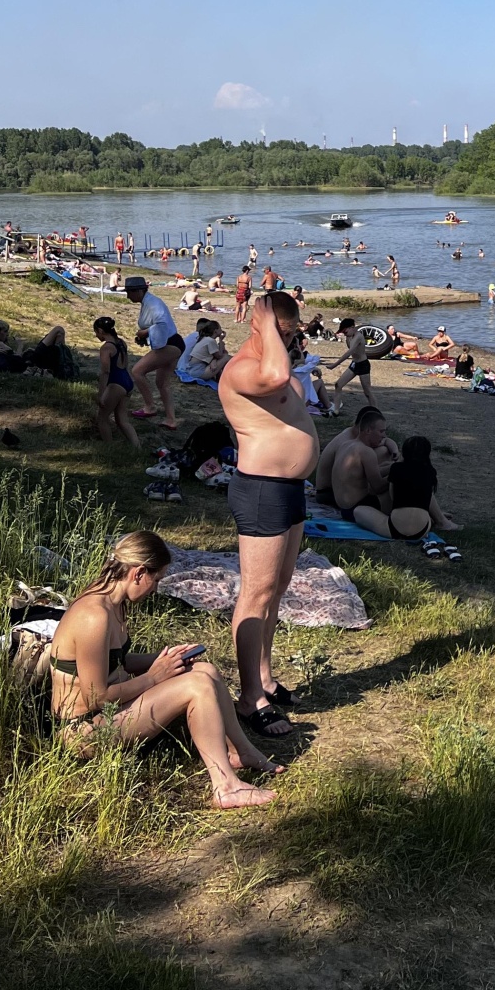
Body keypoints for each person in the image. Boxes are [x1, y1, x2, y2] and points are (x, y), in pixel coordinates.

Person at [48, 529, 279, 808]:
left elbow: (116, 661)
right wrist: (155, 676)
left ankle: (240, 751)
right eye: (155, 580)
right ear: (138, 573)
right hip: (84, 730)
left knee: (205, 671)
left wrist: (167, 658)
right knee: (197, 687)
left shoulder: (114, 604)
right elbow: (97, 696)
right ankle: (226, 787)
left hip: (108, 714)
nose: (155, 588)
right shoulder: (93, 616)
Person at [218, 292, 321, 739]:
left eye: (294, 329)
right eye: (286, 329)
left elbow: (290, 384)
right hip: (262, 490)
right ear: (259, 325)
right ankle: (248, 698)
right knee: (256, 593)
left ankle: (265, 678)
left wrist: (283, 335)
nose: (292, 336)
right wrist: (263, 318)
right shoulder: (242, 370)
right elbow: (278, 376)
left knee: (277, 589)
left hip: (290, 488)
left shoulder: (276, 366)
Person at [353, 435, 459, 540]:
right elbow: (425, 497)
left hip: (395, 529)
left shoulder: (396, 469)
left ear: (404, 453)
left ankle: (434, 519)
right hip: (422, 529)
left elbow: (392, 497)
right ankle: (437, 519)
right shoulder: (430, 472)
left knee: (358, 511)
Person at [124, 275, 184, 428]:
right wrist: (146, 336)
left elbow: (161, 324)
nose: (128, 296)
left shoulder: (153, 304)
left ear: (139, 291)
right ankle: (171, 420)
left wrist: (145, 333)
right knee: (162, 383)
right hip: (174, 342)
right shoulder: (148, 302)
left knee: (137, 371)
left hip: (169, 344)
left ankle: (150, 407)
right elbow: (156, 326)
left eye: (130, 292)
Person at [316, 408, 400, 515]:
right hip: (357, 509)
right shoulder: (366, 452)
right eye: (381, 431)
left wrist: (391, 467)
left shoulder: (346, 444)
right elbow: (378, 487)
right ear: (368, 430)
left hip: (344, 508)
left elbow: (360, 474)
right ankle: (412, 521)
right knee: (396, 490)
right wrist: (397, 473)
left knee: (387, 466)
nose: (384, 435)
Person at [92, 315, 139, 448]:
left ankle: (109, 448)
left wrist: (101, 394)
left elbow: (105, 372)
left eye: (96, 332)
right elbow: (125, 364)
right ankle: (137, 448)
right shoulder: (121, 343)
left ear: (101, 331)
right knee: (122, 420)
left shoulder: (106, 348)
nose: (96, 336)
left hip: (116, 384)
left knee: (102, 418)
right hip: (127, 381)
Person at [329, 317, 374, 401]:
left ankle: (375, 411)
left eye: (345, 332)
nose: (345, 334)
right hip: (354, 364)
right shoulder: (349, 336)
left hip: (363, 365)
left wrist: (334, 365)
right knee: (338, 385)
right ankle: (335, 410)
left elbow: (348, 353)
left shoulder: (358, 336)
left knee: (367, 392)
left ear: (352, 327)